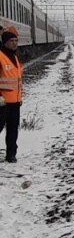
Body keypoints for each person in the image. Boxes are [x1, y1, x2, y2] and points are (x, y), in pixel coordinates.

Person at [0, 28, 23, 163]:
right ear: (5, 42)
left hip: (15, 101)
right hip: (2, 102)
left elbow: (18, 80)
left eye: (16, 41)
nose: (14, 43)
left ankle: (11, 154)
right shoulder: (1, 56)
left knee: (13, 129)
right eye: (11, 41)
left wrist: (20, 98)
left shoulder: (14, 57)